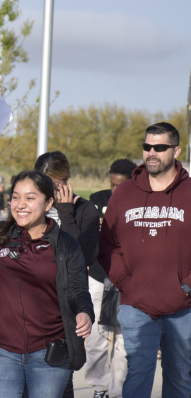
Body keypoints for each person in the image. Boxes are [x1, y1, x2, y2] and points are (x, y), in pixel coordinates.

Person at [0, 168, 94, 398]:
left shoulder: (65, 244)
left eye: (30, 198)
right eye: (16, 197)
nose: (20, 204)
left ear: (49, 203)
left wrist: (84, 312)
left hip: (49, 353)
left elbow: (78, 288)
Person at [99, 122, 191, 398]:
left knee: (180, 378)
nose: (151, 152)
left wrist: (186, 287)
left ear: (176, 151)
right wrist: (128, 283)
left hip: (184, 307)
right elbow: (107, 246)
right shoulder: (125, 193)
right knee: (137, 376)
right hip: (136, 305)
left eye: (159, 147)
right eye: (147, 146)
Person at [34, 151, 100, 398]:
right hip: (29, 300)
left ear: (66, 180)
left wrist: (65, 212)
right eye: (44, 181)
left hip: (65, 304)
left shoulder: (84, 209)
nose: (49, 188)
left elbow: (87, 255)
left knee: (60, 377)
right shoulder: (30, 204)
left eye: (55, 182)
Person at [85, 159, 137, 398]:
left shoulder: (140, 203)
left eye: (121, 185)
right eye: (112, 184)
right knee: (96, 337)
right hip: (98, 276)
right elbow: (91, 236)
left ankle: (117, 391)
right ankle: (99, 387)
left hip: (128, 279)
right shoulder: (97, 199)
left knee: (122, 340)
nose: (115, 190)